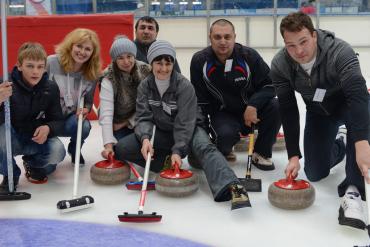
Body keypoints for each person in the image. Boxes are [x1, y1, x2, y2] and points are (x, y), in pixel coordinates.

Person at [115, 40, 251, 210]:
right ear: (151, 64)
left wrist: (178, 150)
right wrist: (145, 138)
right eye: (159, 63)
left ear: (173, 63)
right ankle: (164, 162)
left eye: (168, 63)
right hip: (163, 131)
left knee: (204, 147)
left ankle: (232, 187)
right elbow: (144, 117)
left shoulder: (184, 85)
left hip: (191, 128)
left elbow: (185, 122)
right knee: (122, 148)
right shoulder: (145, 86)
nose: (164, 68)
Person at [270, 11, 370, 230]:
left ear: (314, 35)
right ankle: (341, 145)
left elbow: (359, 94)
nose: (299, 51)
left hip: (348, 106)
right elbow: (288, 109)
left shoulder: (339, 51)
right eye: (291, 45)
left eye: (303, 42)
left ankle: (352, 191)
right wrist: (294, 155)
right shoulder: (280, 64)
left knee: (359, 138)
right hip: (318, 112)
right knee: (315, 173)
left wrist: (362, 141)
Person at [190, 19, 280, 168]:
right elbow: (201, 102)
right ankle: (226, 148)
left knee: (277, 106)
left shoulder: (249, 56)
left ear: (234, 37)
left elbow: (271, 85)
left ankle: (261, 152)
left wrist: (253, 105)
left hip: (252, 112)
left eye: (227, 37)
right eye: (217, 37)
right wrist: (203, 137)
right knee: (225, 137)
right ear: (210, 37)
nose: (223, 41)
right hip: (224, 114)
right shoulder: (200, 61)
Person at [0, 42, 65, 190]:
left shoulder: (50, 88)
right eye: (30, 66)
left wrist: (48, 128)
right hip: (9, 140)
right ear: (19, 65)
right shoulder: (4, 84)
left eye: (40, 66)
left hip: (34, 139)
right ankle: (10, 175)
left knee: (57, 152)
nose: (35, 71)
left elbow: (58, 120)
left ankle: (32, 163)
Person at [47, 28, 101, 166]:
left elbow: (88, 102)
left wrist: (85, 109)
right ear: (70, 45)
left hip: (70, 120)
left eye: (87, 49)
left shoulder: (92, 73)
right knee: (47, 169)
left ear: (92, 53)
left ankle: (75, 148)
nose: (82, 52)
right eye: (79, 46)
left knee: (84, 126)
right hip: (47, 121)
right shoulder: (51, 62)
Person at [99, 35, 151, 159]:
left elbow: (150, 105)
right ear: (114, 60)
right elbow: (106, 114)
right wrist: (108, 146)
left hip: (140, 119)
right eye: (120, 58)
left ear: (134, 55)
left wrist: (127, 122)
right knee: (122, 151)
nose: (126, 62)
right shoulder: (108, 78)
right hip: (116, 121)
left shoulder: (146, 70)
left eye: (129, 56)